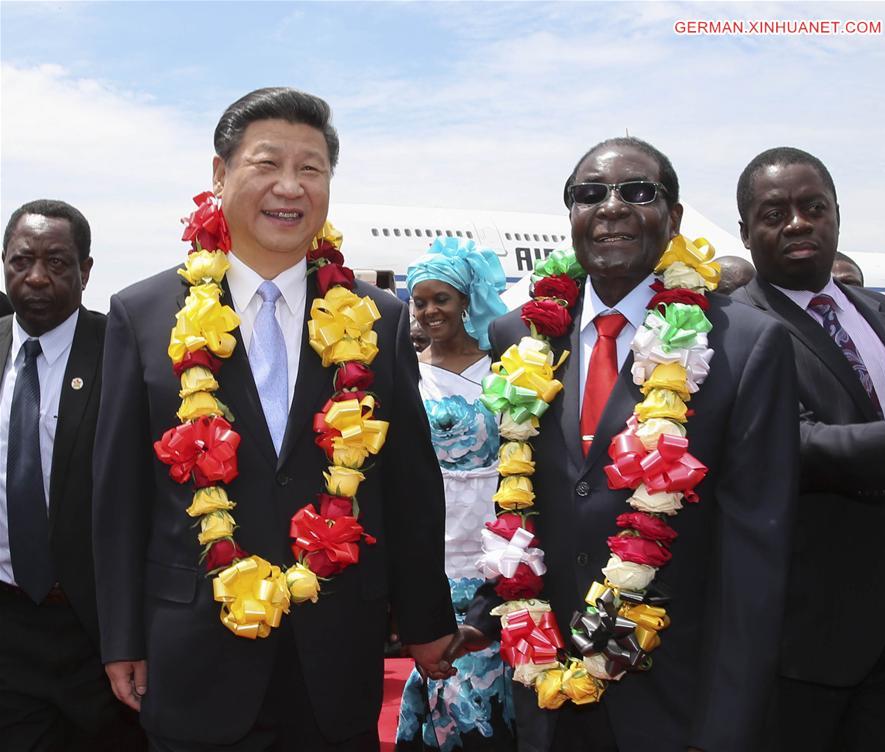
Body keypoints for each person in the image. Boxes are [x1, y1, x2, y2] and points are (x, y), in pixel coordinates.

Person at [92, 87, 457, 751]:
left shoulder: (379, 319)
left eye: (311, 169)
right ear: (219, 174)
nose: (289, 187)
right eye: (267, 164)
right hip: (191, 650)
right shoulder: (141, 313)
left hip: (336, 652)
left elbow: (408, 486)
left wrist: (428, 619)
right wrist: (120, 636)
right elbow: (118, 497)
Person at [451, 137, 798, 752]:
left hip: (676, 700)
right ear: (572, 215)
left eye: (638, 192)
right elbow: (522, 502)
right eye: (589, 195)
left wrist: (726, 725)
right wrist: (489, 609)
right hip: (545, 690)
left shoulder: (745, 344)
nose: (610, 208)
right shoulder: (520, 337)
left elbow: (754, 560)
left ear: (676, 217)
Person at [732, 146, 885, 751]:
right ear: (746, 229)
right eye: (774, 212)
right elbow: (784, 443)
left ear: (836, 216)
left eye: (813, 207)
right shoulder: (730, 330)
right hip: (805, 640)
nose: (797, 222)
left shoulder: (883, 314)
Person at [0, 200, 143, 750]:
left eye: (57, 263)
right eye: (21, 261)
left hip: (99, 634)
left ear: (85, 270)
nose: (36, 277)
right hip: (9, 626)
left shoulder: (124, 354)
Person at [397, 237, 513, 751]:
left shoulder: (506, 372)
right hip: (429, 541)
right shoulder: (404, 375)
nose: (428, 311)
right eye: (419, 301)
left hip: (494, 547)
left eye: (440, 298)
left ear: (466, 299)